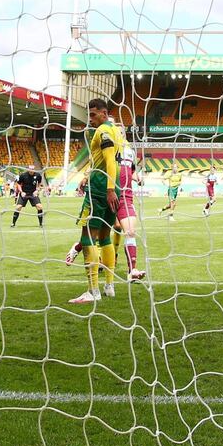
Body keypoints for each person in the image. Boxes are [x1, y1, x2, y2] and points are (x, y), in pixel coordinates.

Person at [69, 98, 121, 305]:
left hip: (100, 189)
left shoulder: (102, 131)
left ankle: (93, 290)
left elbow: (109, 159)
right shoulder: (117, 130)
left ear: (104, 113)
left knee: (87, 237)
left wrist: (108, 189)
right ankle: (109, 286)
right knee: (105, 237)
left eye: (93, 114)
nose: (90, 119)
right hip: (110, 186)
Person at [111, 133, 145, 281]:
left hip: (126, 196)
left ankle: (132, 271)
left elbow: (130, 171)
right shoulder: (108, 148)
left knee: (130, 231)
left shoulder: (130, 151)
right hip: (108, 194)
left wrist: (137, 178)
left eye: (120, 131)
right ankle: (78, 247)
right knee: (97, 234)